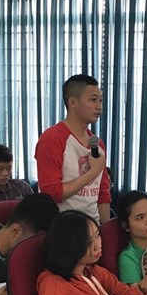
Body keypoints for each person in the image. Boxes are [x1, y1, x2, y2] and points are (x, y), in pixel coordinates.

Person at [34, 74, 111, 223]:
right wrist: (94, 171)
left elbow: (103, 194)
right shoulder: (52, 139)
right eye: (93, 100)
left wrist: (105, 230)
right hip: (61, 227)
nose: (99, 106)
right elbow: (51, 193)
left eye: (100, 100)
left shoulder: (97, 144)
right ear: (73, 102)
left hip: (92, 226)